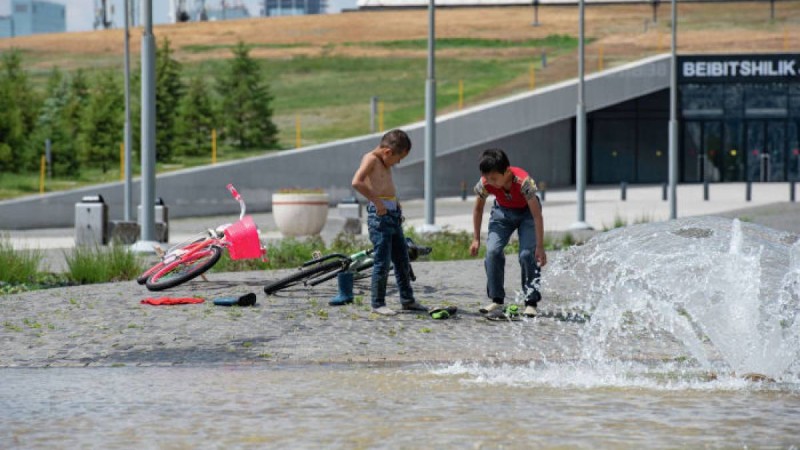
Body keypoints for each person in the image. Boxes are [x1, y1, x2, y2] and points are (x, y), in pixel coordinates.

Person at [351, 129, 428, 316]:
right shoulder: (371, 159)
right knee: (382, 261)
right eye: (398, 158)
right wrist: (377, 202)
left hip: (392, 213)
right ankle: (378, 303)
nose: (398, 163)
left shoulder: (384, 162)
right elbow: (357, 182)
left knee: (402, 260)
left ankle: (407, 300)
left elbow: (384, 185)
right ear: (388, 152)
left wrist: (395, 202)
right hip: (380, 217)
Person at [469, 148, 547, 318]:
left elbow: (537, 216)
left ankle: (531, 302)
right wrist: (476, 238)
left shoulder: (524, 182)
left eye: (494, 178)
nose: (491, 182)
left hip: (528, 215)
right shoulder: (485, 182)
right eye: (487, 178)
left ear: (506, 171)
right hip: (502, 213)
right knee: (492, 251)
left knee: (527, 254)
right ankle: (496, 299)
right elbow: (478, 209)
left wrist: (540, 247)